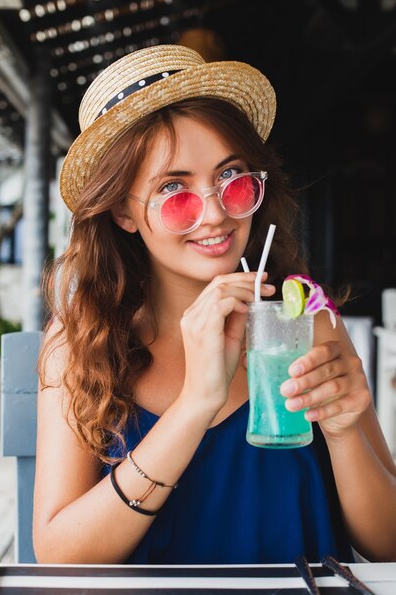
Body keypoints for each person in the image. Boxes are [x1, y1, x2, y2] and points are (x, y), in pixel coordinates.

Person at [34, 45, 396, 565]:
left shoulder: (307, 323)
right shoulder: (81, 345)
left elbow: (387, 548)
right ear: (122, 211)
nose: (215, 214)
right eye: (174, 189)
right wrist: (194, 406)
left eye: (232, 178)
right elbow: (60, 557)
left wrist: (342, 434)